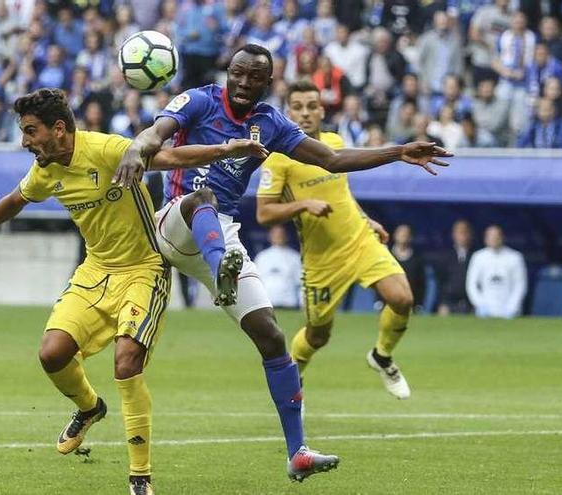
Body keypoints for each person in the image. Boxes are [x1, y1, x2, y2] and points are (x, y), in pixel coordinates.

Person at [115, 44, 450, 479]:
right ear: (228, 72)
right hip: (176, 221)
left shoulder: (269, 123)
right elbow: (154, 135)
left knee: (272, 337)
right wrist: (134, 150)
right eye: (237, 73)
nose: (242, 83)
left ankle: (298, 452)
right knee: (202, 199)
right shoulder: (199, 100)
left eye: (253, 78)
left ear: (266, 84)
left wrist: (397, 152)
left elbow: (331, 159)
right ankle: (223, 269)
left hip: (223, 233)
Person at [0, 88, 267, 495]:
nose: (25, 142)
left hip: (144, 269)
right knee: (51, 354)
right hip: (96, 270)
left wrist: (227, 149)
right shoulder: (46, 169)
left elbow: (170, 157)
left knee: (126, 363)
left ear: (58, 129)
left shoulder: (106, 149)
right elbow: (16, 200)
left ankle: (140, 477)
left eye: (30, 131)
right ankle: (90, 408)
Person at [255, 80, 416, 400]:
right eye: (297, 107)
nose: (305, 113)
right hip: (322, 259)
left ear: (321, 109)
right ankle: (294, 376)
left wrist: (365, 219)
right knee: (317, 336)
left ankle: (382, 356)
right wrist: (303, 205)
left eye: (311, 106)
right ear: (288, 112)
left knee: (402, 298)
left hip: (359, 240)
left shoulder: (333, 142)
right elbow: (264, 214)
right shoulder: (279, 159)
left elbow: (341, 193)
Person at [466, 225, 527, 319]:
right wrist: (480, 305)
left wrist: (512, 307)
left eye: (496, 236)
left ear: (502, 237)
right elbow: (471, 285)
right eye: (490, 236)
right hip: (485, 310)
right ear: (485, 239)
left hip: (510, 310)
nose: (493, 239)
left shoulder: (515, 257)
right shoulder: (478, 257)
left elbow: (520, 285)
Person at [254, 225, 302, 310]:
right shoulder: (262, 257)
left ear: (286, 236)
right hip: (267, 302)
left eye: (280, 234)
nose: (278, 237)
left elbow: (300, 283)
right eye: (275, 234)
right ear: (270, 236)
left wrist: (302, 304)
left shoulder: (295, 257)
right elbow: (255, 281)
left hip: (289, 303)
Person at [437, 219, 474, 315]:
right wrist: (442, 303)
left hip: (471, 303)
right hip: (449, 303)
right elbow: (440, 282)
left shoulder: (476, 256)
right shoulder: (445, 256)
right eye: (460, 233)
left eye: (465, 232)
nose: (463, 236)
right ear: (454, 235)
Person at [390, 224, 426, 312]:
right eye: (400, 233)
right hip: (389, 302)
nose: (403, 235)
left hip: (411, 304)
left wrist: (419, 303)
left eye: (406, 234)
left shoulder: (417, 259)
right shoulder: (387, 256)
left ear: (410, 237)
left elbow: (421, 283)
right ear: (395, 235)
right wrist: (379, 302)